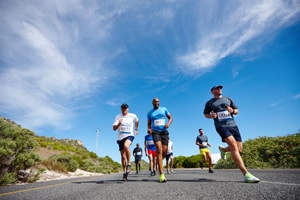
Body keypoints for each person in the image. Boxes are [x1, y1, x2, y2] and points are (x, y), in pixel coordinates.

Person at [203, 85, 260, 183]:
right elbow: (205, 114)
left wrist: (232, 111)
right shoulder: (209, 103)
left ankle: (223, 149)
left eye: (220, 88)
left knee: (239, 149)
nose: (219, 89)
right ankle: (246, 174)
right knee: (233, 146)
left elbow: (236, 111)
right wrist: (211, 116)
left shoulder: (228, 99)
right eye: (217, 88)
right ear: (212, 91)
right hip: (221, 126)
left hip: (233, 125)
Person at [147, 97, 173, 183]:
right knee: (159, 150)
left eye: (157, 101)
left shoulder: (164, 109)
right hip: (155, 132)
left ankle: (159, 161)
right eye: (154, 102)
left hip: (164, 131)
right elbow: (149, 124)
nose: (156, 103)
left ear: (159, 102)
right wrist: (149, 129)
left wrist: (168, 124)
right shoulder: (150, 113)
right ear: (152, 103)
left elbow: (170, 118)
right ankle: (161, 174)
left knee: (164, 152)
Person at [113, 103, 139, 181]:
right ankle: (124, 172)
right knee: (122, 156)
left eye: (125, 108)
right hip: (120, 138)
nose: (124, 110)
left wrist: (136, 129)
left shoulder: (133, 116)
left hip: (129, 135)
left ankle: (129, 163)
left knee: (126, 146)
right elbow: (114, 128)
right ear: (121, 109)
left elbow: (137, 121)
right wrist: (119, 124)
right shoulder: (118, 116)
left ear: (128, 109)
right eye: (123, 108)